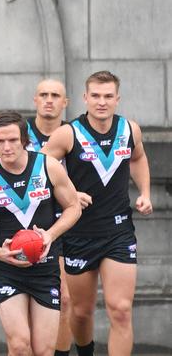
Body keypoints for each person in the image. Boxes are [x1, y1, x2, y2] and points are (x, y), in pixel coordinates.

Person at [41, 71, 152, 356]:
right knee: (80, 312)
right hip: (78, 232)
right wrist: (69, 192)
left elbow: (138, 157)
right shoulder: (68, 133)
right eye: (96, 96)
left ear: (117, 99)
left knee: (121, 309)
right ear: (85, 98)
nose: (101, 102)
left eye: (107, 97)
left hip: (118, 230)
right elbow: (38, 169)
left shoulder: (130, 130)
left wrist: (146, 193)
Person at [0, 111, 81, 356]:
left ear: (24, 140)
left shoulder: (47, 166)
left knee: (43, 350)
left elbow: (73, 208)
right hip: (8, 270)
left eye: (12, 140)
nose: (6, 147)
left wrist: (50, 234)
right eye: (0, 141)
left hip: (45, 267)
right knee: (19, 346)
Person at [27, 79, 74, 355]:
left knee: (66, 300)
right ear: (34, 99)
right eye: (43, 94)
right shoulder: (19, 135)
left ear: (65, 102)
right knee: (29, 301)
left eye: (55, 95)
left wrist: (75, 194)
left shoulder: (74, 134)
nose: (49, 100)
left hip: (67, 224)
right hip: (29, 224)